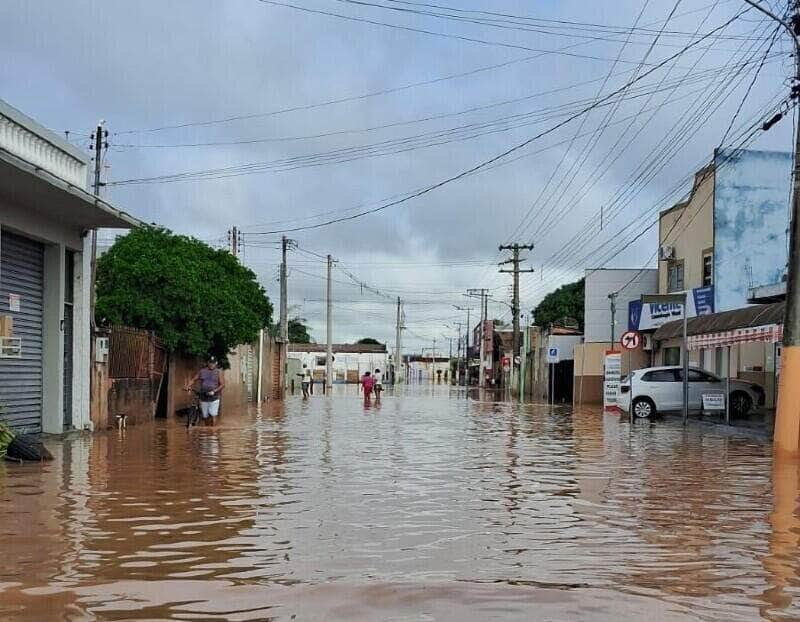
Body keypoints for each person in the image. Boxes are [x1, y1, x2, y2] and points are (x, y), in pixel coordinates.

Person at [186, 356, 225, 426]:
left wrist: (214, 391)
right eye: (210, 362)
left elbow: (222, 385)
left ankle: (213, 433)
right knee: (205, 416)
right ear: (208, 363)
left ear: (216, 363)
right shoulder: (202, 371)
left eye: (213, 363)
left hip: (214, 397)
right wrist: (188, 386)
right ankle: (208, 431)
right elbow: (194, 379)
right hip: (203, 397)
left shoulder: (218, 372)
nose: (211, 364)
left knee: (213, 415)